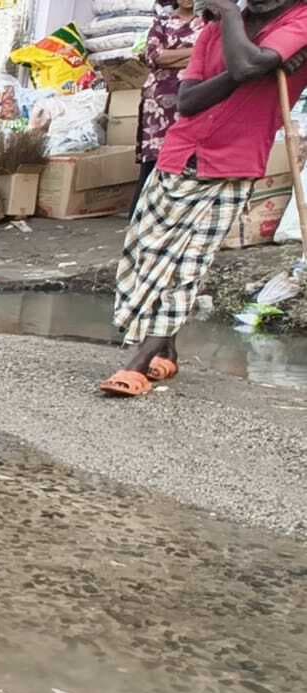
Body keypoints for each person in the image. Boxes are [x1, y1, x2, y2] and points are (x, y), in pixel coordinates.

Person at [101, 0, 307, 397]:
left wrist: (234, 23)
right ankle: (168, 351)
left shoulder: (298, 20)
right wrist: (250, 63)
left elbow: (249, 66)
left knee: (185, 265)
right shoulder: (215, 29)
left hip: (232, 164)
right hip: (181, 153)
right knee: (146, 255)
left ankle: (138, 363)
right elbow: (188, 100)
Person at [134, 0, 206, 209]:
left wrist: (171, 56)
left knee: (186, 157)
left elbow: (211, 56)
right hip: (159, 101)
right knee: (154, 159)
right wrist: (194, 53)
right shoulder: (162, 22)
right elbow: (153, 56)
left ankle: (173, 211)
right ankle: (140, 212)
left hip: (193, 96)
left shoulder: (207, 24)